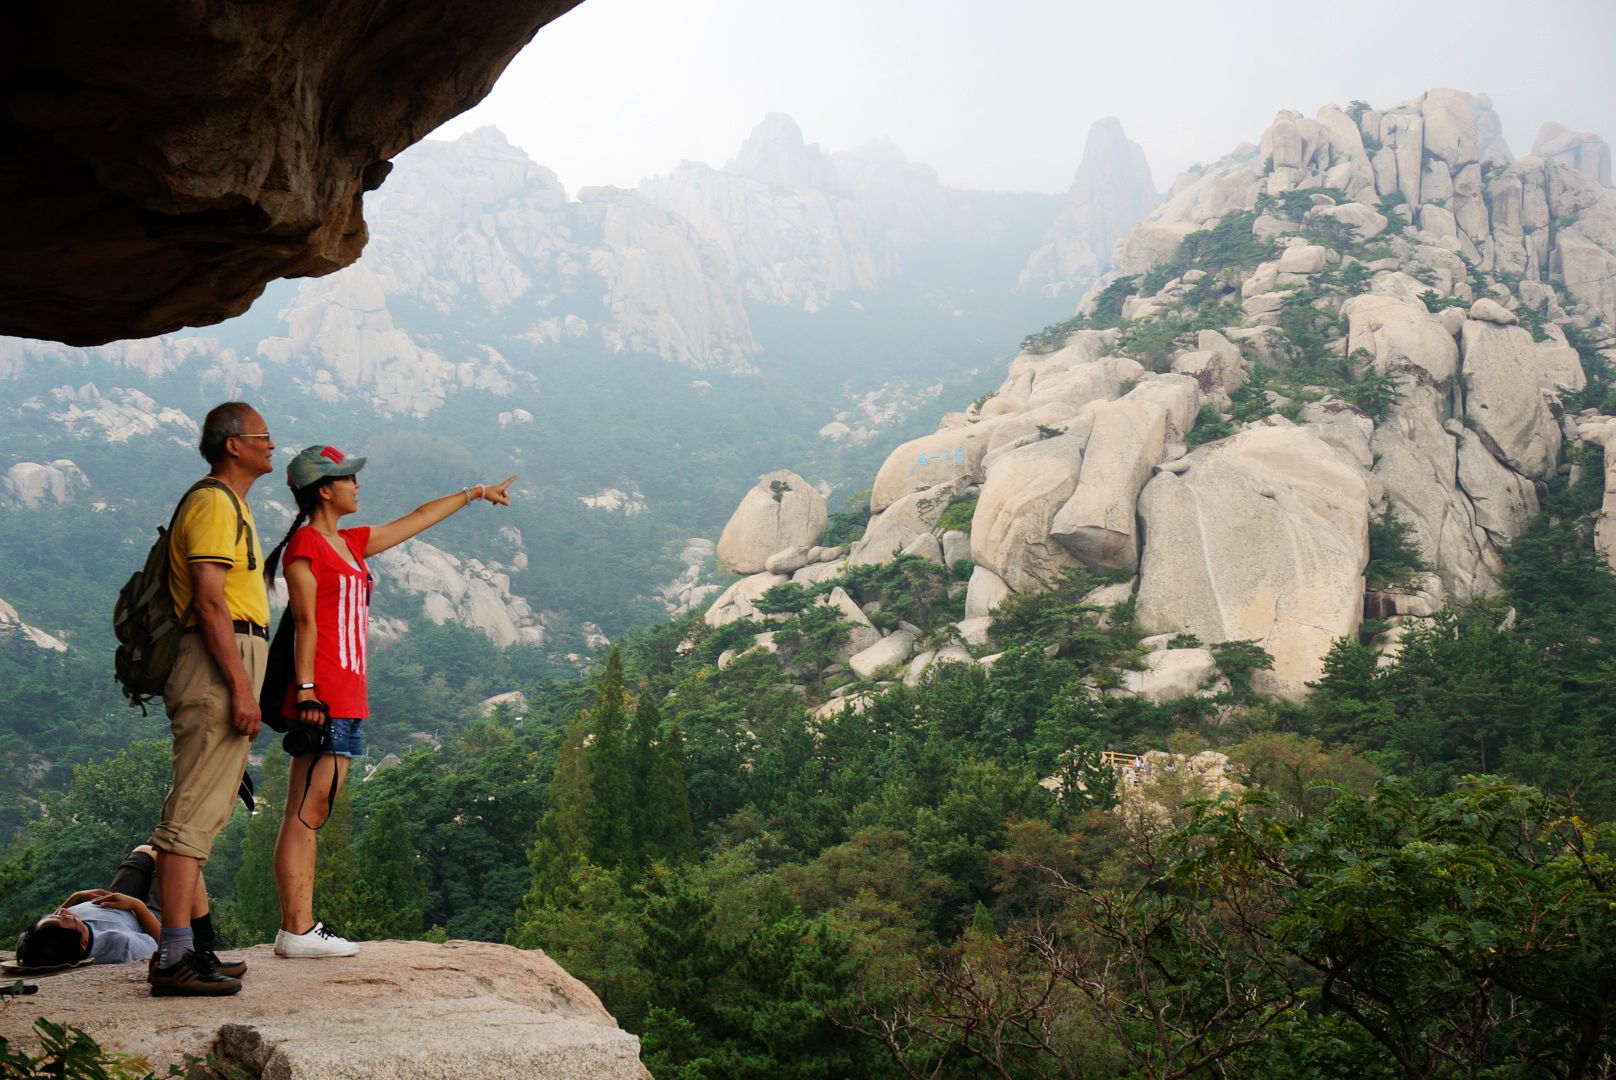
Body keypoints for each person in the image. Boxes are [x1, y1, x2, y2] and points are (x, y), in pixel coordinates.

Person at [264, 445, 515, 958]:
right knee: (308, 813)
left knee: (307, 810)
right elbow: (305, 625)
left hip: (345, 691)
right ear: (324, 490)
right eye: (349, 479)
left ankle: (298, 927)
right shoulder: (306, 547)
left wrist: (475, 493)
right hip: (324, 695)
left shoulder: (350, 543)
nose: (358, 485)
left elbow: (418, 518)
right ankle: (299, 929)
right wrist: (308, 691)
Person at [149, 401, 274, 995]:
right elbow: (209, 601)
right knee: (192, 813)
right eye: (263, 437)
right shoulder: (212, 503)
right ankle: (174, 957)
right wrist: (242, 686)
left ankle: (195, 946)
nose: (272, 445)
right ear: (233, 444)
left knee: (201, 808)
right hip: (216, 661)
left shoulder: (233, 505)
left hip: (227, 656)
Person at [12, 846, 244, 980]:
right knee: (183, 860)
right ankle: (206, 943)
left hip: (112, 900)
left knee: (145, 850)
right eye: (65, 917)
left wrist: (76, 898)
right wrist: (136, 906)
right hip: (144, 915)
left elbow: (43, 938)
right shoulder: (121, 945)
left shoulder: (46, 942)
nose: (63, 911)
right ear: (83, 945)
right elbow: (164, 945)